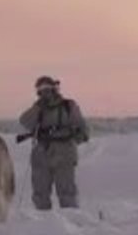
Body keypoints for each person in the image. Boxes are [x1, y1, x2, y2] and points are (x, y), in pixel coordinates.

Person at [18, 76, 90, 210]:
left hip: (64, 153)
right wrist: (38, 107)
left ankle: (69, 225)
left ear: (54, 89)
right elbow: (24, 121)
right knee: (40, 194)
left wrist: (70, 141)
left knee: (67, 193)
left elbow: (83, 130)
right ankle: (43, 225)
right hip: (42, 152)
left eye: (47, 88)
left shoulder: (68, 106)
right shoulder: (38, 108)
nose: (44, 93)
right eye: (40, 90)